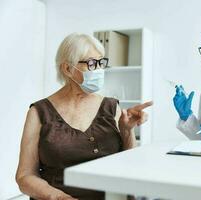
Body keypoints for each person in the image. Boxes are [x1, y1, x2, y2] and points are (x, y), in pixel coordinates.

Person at [16, 33, 153, 200]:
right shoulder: (38, 112)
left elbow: (128, 167)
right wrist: (60, 198)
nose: (99, 70)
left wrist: (127, 130)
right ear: (67, 69)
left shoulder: (112, 107)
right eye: (91, 63)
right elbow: (25, 177)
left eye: (101, 62)